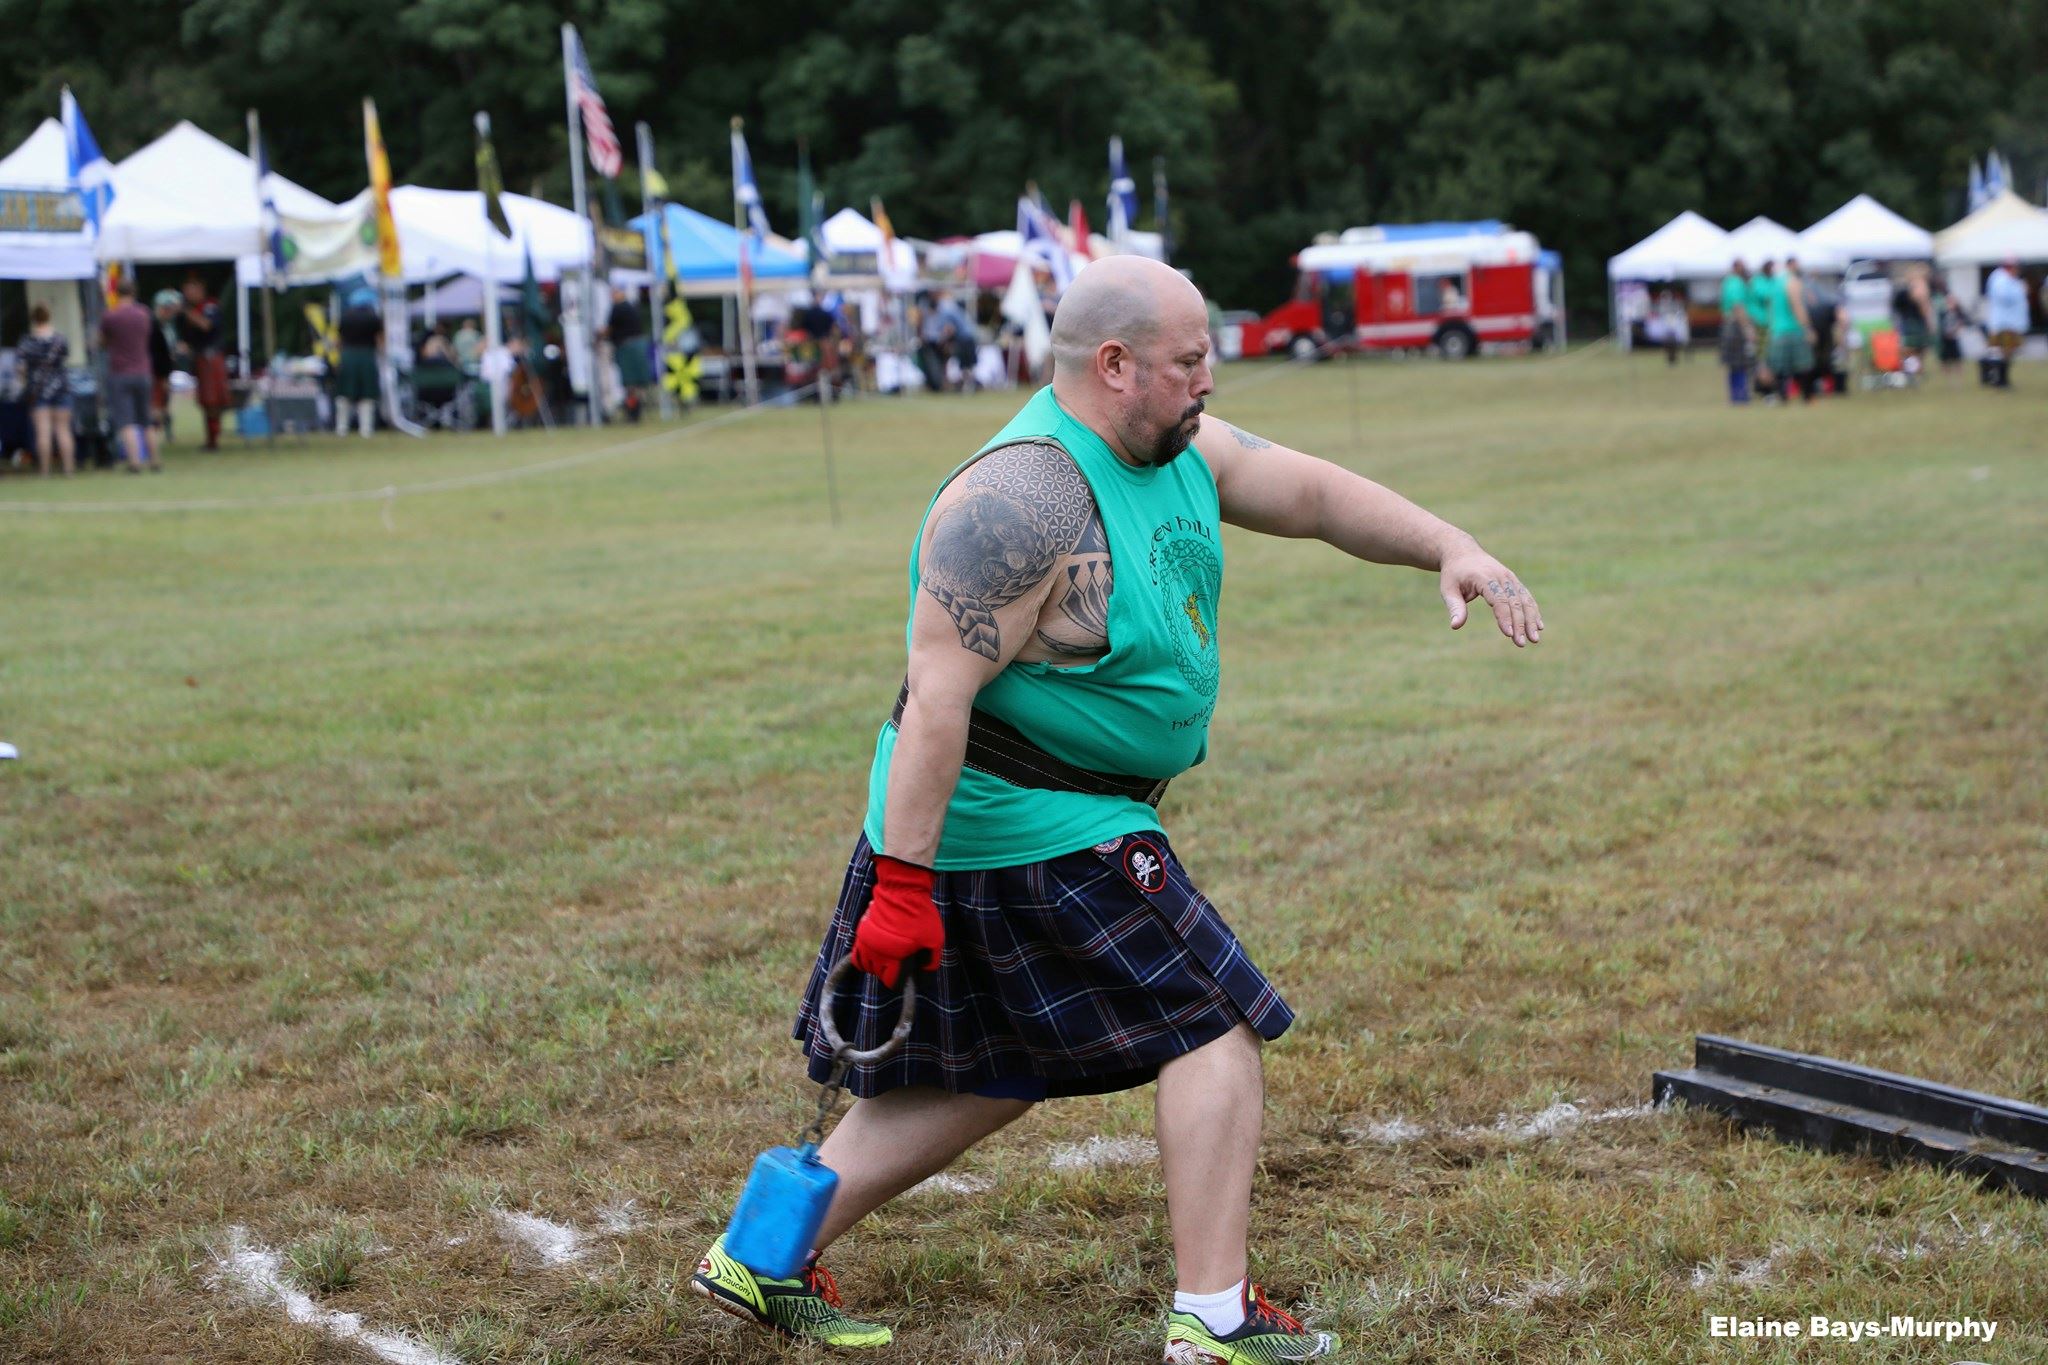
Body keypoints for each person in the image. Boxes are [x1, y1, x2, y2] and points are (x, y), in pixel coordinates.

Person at [689, 255, 1544, 1361]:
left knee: (992, 1068)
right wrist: (899, 888)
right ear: (1113, 365)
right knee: (1211, 1025)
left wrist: (1449, 545)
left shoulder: (1178, 446)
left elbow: (1318, 495)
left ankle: (757, 1257)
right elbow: (937, 697)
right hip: (1022, 815)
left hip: (1061, 813)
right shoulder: (1021, 499)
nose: (1209, 380)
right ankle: (1212, 1315)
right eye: (1189, 361)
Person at [100, 279, 159, 472]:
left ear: (117, 293)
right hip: (143, 371)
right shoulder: (144, 314)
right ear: (134, 292)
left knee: (127, 421)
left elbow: (102, 341)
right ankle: (155, 461)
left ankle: (134, 462)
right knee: (146, 420)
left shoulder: (111, 315)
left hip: (120, 372)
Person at [18, 304, 75, 476]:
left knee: (43, 431)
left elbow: (20, 367)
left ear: (33, 318)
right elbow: (65, 358)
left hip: (37, 389)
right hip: (60, 387)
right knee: (63, 430)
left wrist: (26, 380)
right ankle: (68, 469)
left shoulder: (27, 341)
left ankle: (44, 470)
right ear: (49, 316)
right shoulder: (60, 339)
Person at [175, 274, 230, 451]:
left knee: (212, 400)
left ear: (200, 289)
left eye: (191, 289)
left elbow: (206, 325)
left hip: (211, 358)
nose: (188, 293)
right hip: (201, 358)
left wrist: (185, 311)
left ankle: (214, 439)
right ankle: (211, 439)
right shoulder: (195, 309)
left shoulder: (209, 307)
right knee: (206, 401)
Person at [334, 289, 383, 437]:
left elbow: (338, 340)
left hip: (348, 356)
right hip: (367, 356)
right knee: (367, 393)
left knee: (345, 393)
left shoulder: (345, 317)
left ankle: (342, 428)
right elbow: (380, 340)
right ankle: (366, 429)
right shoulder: (373, 318)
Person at [604, 286, 650, 422]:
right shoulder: (631, 306)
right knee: (637, 383)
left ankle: (633, 413)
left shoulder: (618, 308)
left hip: (627, 348)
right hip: (637, 347)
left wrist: (599, 336)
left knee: (630, 383)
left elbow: (609, 329)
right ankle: (636, 411)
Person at [1983, 257, 2028, 389]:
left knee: (2007, 352)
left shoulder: (2008, 280)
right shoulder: (2001, 280)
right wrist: (2021, 289)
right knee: (2003, 351)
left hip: (2011, 322)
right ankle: (1999, 379)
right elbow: (2004, 297)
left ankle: (2001, 378)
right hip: (2004, 322)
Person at [1718, 259, 1756, 403]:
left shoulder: (1728, 282)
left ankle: (1736, 395)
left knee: (1734, 364)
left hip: (1730, 325)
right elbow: (1738, 307)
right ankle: (1741, 396)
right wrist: (1747, 328)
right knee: (1740, 361)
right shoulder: (1736, 283)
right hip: (1735, 326)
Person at [150, 290, 180, 452]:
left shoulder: (164, 326)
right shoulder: (155, 326)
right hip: (157, 373)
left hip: (162, 372)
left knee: (164, 404)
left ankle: (163, 434)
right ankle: (154, 439)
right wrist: (163, 376)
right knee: (157, 407)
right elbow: (159, 354)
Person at [1893, 265, 1936, 376]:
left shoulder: (1904, 291)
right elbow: (1924, 309)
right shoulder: (1915, 290)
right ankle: (1913, 371)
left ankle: (1913, 371)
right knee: (1912, 350)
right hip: (1913, 323)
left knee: (1915, 350)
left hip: (1910, 323)